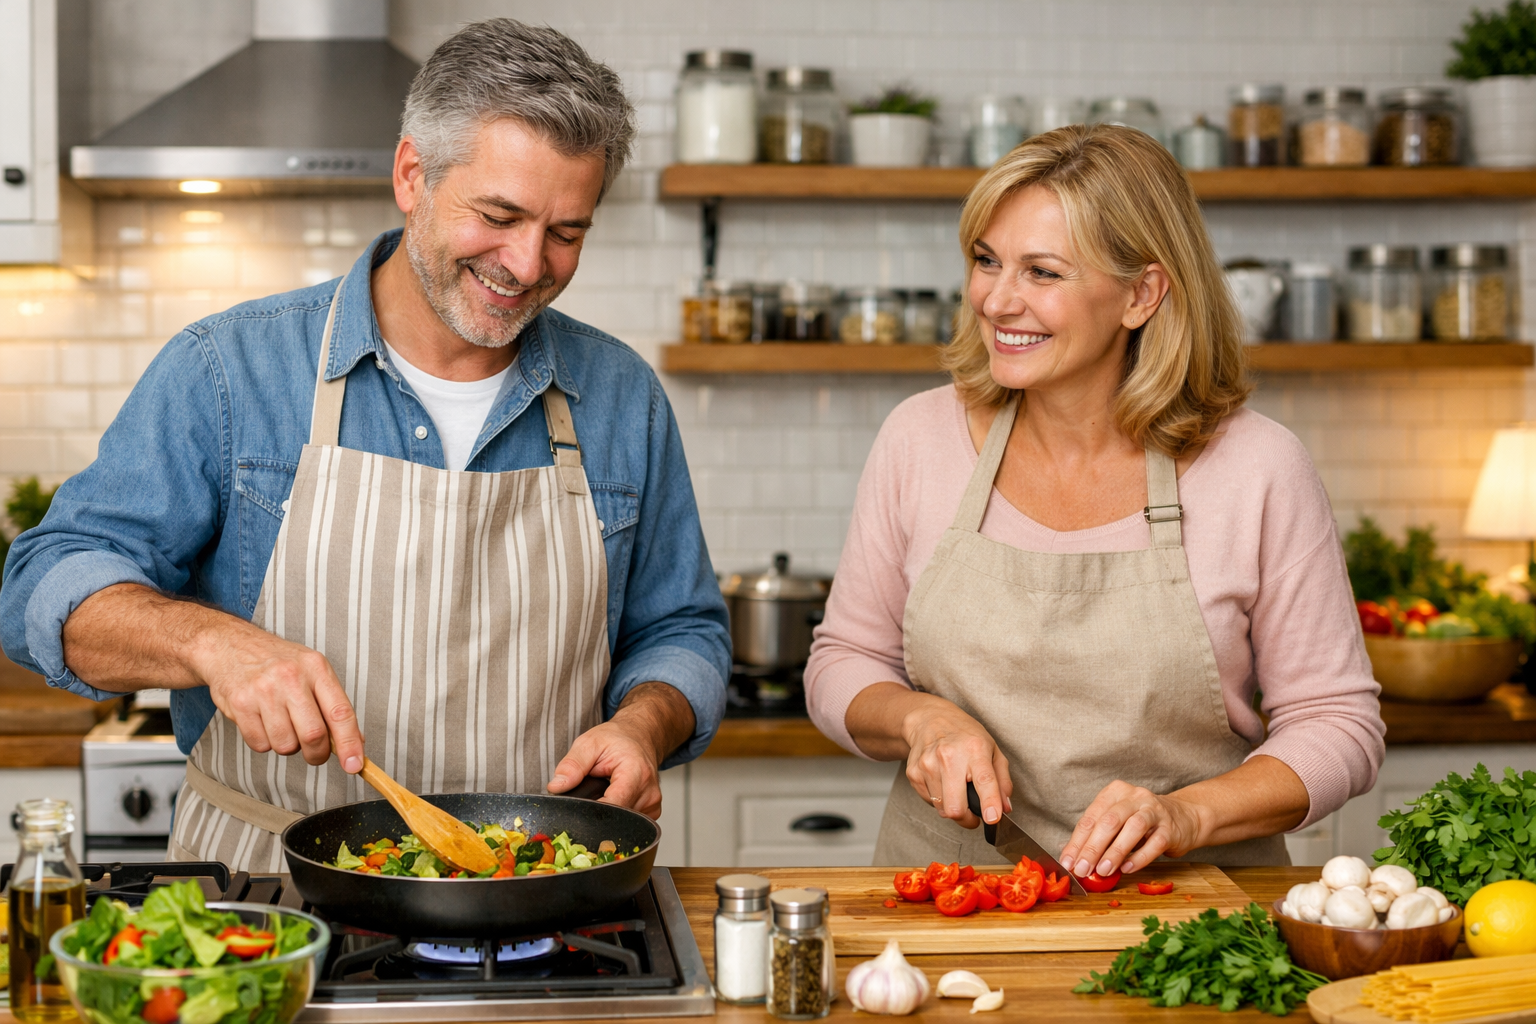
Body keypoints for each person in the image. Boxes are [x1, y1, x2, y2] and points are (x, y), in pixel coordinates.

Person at [0, 19, 730, 869]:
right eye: (499, 215)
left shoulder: (620, 396)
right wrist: (208, 641)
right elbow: (41, 587)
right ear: (412, 175)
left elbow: (683, 628)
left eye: (567, 232)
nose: (529, 263)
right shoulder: (231, 370)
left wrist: (645, 722)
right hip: (269, 894)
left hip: (533, 891)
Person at [805, 124, 1384, 877]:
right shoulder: (920, 437)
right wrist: (921, 719)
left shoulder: (1258, 467)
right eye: (986, 261)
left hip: (1195, 912)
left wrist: (1188, 814)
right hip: (952, 895)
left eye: (1042, 273)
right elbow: (841, 663)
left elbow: (1339, 725)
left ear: (1141, 294)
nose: (996, 300)